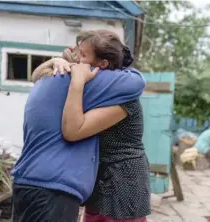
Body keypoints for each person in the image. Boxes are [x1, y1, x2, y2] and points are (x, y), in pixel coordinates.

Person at [11, 30, 147, 222]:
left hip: (121, 181)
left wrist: (74, 77)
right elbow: (37, 76)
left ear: (102, 64)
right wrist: (55, 61)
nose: (75, 57)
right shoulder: (84, 84)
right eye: (75, 52)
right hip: (93, 181)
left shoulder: (116, 91)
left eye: (82, 54)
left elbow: (138, 81)